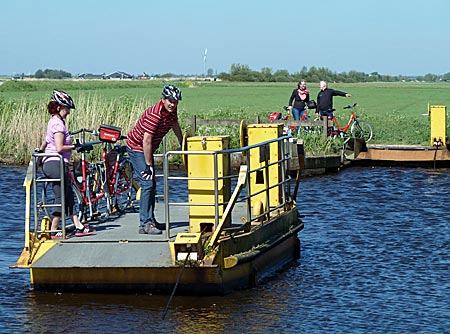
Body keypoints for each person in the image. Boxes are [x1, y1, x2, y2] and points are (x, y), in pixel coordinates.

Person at [126, 85, 183, 235]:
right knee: (147, 183)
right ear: (163, 99)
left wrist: (182, 142)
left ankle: (151, 219)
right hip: (137, 146)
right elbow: (146, 141)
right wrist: (148, 165)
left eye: (175, 101)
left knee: (152, 184)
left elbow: (175, 125)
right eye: (170, 101)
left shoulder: (171, 112)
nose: (173, 104)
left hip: (147, 147)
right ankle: (145, 224)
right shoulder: (155, 114)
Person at [39, 90, 96, 239]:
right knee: (61, 196)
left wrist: (39, 153)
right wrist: (76, 146)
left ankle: (78, 225)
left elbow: (46, 142)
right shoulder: (58, 124)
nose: (69, 112)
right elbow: (59, 147)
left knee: (68, 194)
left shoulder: (54, 121)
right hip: (55, 163)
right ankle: (54, 230)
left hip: (54, 163)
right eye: (67, 108)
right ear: (58, 107)